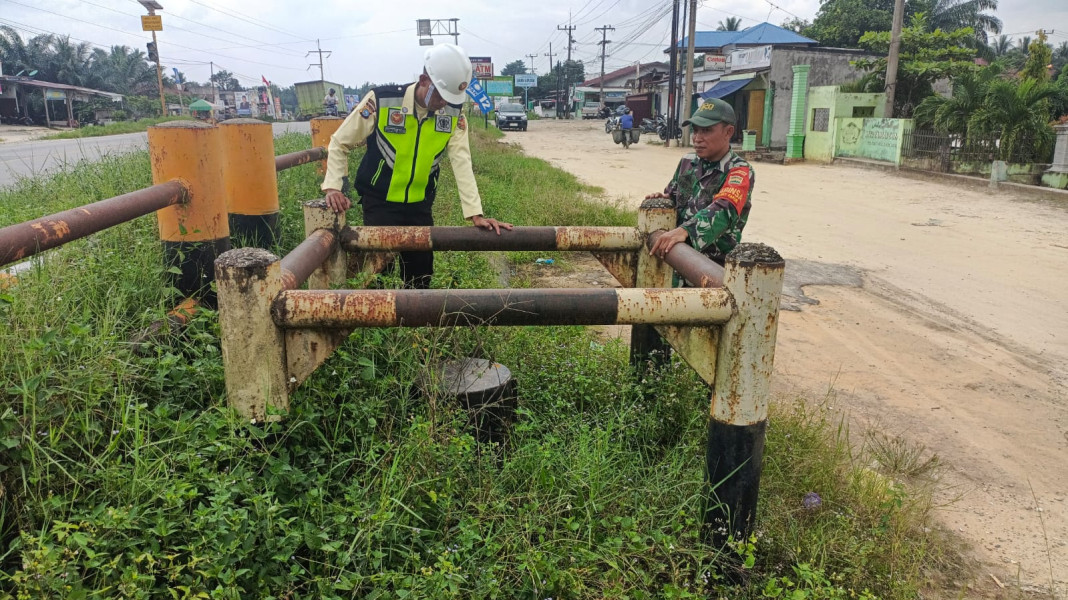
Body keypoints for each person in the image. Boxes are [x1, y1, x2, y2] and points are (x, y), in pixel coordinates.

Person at [321, 43, 513, 289]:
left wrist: (475, 213)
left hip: (421, 204)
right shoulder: (382, 100)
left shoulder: (453, 113)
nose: (444, 103)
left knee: (420, 276)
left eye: (450, 98)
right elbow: (339, 142)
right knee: (378, 274)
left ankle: (413, 325)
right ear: (424, 80)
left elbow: (462, 161)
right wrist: (333, 187)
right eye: (441, 95)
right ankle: (376, 324)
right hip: (380, 202)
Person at [646, 98, 754, 268]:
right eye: (695, 131)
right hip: (676, 258)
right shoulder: (687, 162)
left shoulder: (739, 171)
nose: (697, 138)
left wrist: (686, 231)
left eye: (706, 131)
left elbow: (724, 209)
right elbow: (673, 195)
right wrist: (663, 200)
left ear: (728, 132)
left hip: (712, 266)